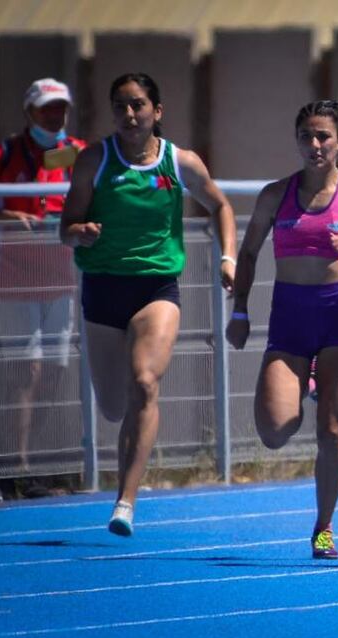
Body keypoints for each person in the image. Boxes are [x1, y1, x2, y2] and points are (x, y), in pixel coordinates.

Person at [60, 73, 237, 536]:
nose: (129, 114)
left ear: (157, 111)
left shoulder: (180, 161)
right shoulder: (94, 159)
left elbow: (220, 205)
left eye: (138, 104)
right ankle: (124, 467)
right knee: (113, 407)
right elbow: (66, 226)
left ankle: (126, 501)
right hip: (103, 289)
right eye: (120, 106)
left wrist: (228, 257)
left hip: (156, 288)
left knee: (144, 383)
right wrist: (80, 232)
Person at [225, 100, 338, 560]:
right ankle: (305, 379)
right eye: (306, 136)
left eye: (324, 136)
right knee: (274, 431)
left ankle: (324, 527)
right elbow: (248, 254)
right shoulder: (275, 195)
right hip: (288, 327)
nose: (315, 144)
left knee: (331, 431)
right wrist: (239, 311)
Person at [0, 78, 86, 473]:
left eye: (60, 107)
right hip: (11, 281)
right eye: (46, 108)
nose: (55, 115)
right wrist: (6, 216)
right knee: (26, 371)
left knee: (55, 372)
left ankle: (34, 461)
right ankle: (16, 467)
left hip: (60, 279)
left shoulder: (77, 153)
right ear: (30, 112)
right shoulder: (1, 156)